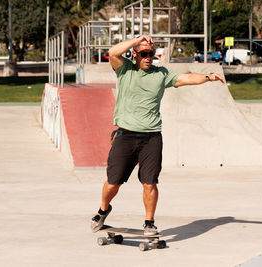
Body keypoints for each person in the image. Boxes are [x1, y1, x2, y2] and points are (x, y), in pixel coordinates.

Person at [91, 35, 224, 235]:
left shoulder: (161, 74)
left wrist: (208, 77)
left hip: (151, 136)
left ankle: (149, 222)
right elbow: (112, 52)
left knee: (150, 182)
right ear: (135, 54)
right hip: (125, 135)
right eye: (144, 54)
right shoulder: (124, 69)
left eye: (151, 54)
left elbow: (186, 78)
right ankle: (103, 210)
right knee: (113, 182)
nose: (148, 57)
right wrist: (137, 41)